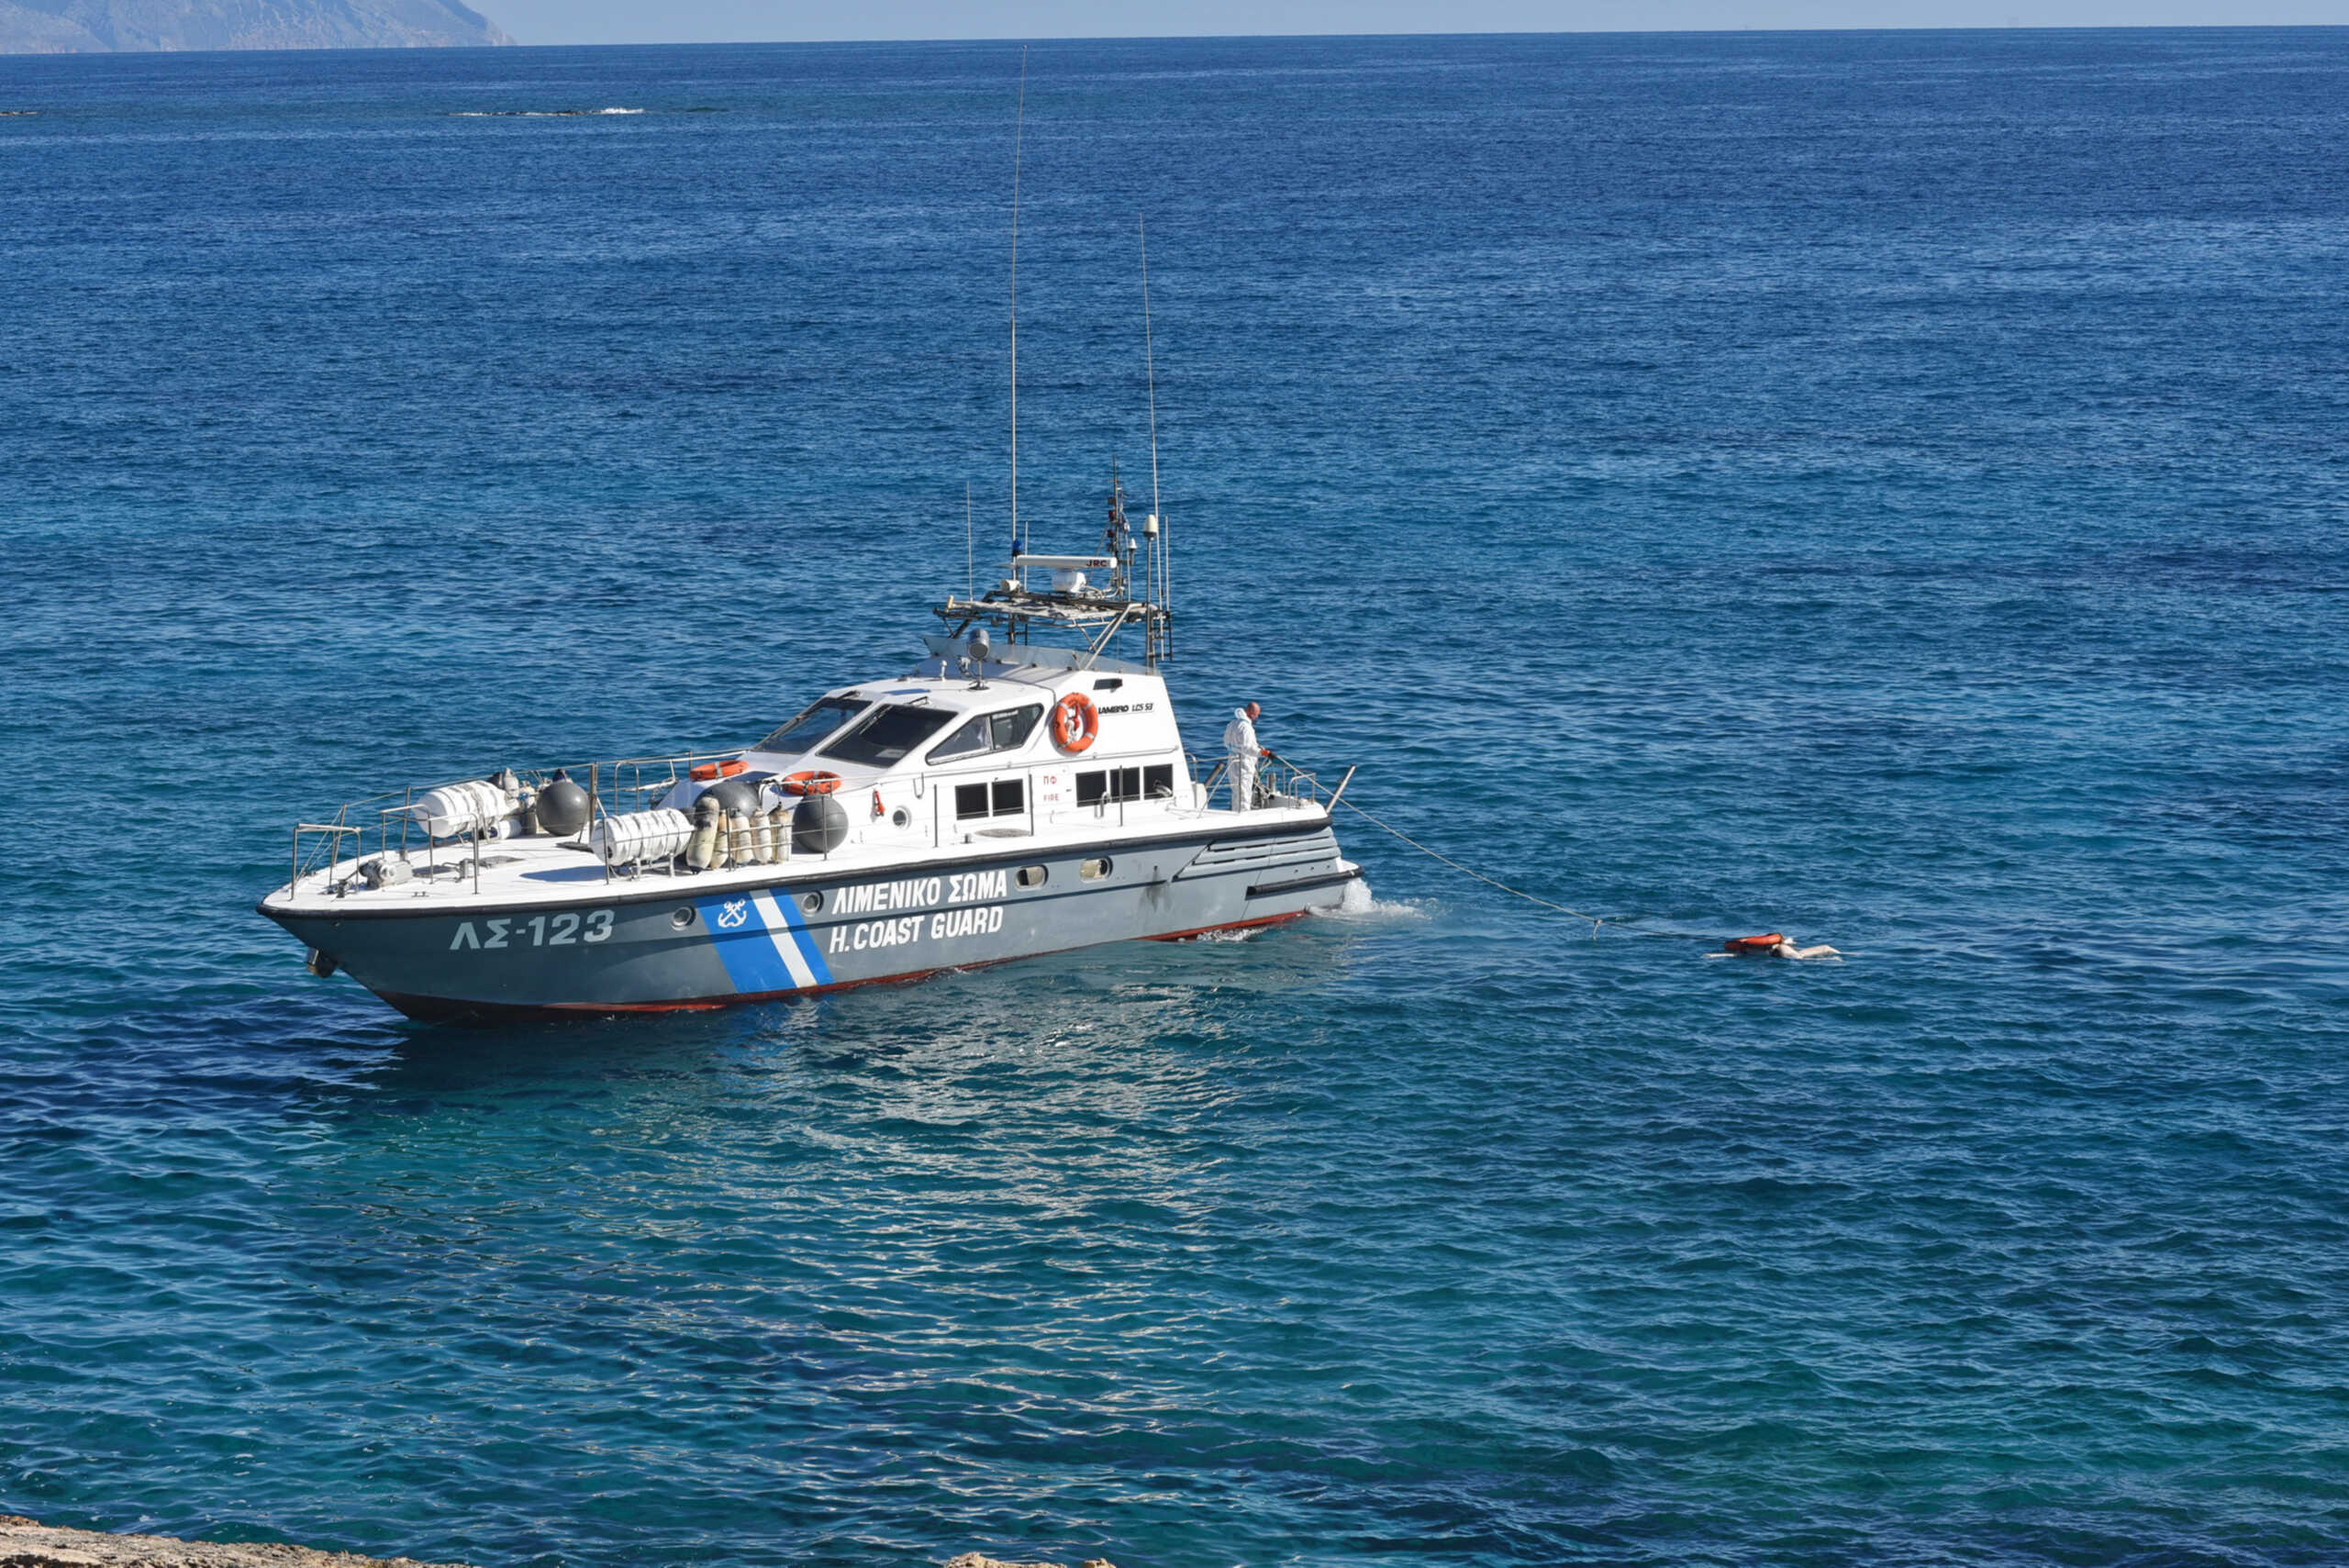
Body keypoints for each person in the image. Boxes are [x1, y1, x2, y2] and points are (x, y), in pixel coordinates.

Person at [1223, 701, 1269, 810]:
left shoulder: (1232, 724)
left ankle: (1235, 814)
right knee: (1244, 795)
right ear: (1251, 713)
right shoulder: (1246, 728)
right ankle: (1243, 817)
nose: (1256, 717)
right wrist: (1264, 753)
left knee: (1236, 793)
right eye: (1256, 714)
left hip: (1232, 762)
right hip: (1244, 765)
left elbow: (1226, 742)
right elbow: (1247, 748)